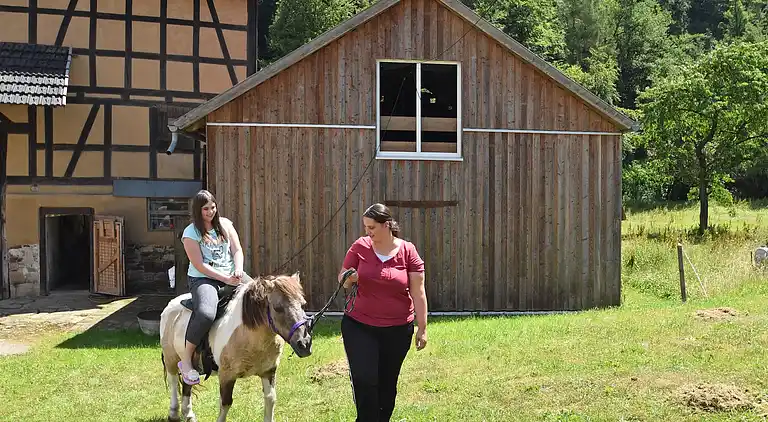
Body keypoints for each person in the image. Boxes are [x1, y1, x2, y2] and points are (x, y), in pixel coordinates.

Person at [338, 203, 428, 421]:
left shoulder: (408, 251)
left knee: (387, 383)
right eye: (366, 227)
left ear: (386, 225)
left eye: (372, 227)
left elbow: (418, 292)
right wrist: (349, 278)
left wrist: (422, 328)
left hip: (397, 330)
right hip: (359, 326)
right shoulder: (360, 247)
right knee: (364, 378)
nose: (368, 232)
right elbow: (342, 278)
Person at [178, 190, 245, 385]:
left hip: (231, 275)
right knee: (206, 314)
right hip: (203, 279)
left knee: (260, 295)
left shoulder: (226, 225)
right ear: (197, 211)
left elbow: (237, 250)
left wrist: (239, 269)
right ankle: (186, 361)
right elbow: (199, 265)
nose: (210, 212)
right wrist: (225, 278)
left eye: (213, 207)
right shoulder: (190, 233)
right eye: (205, 209)